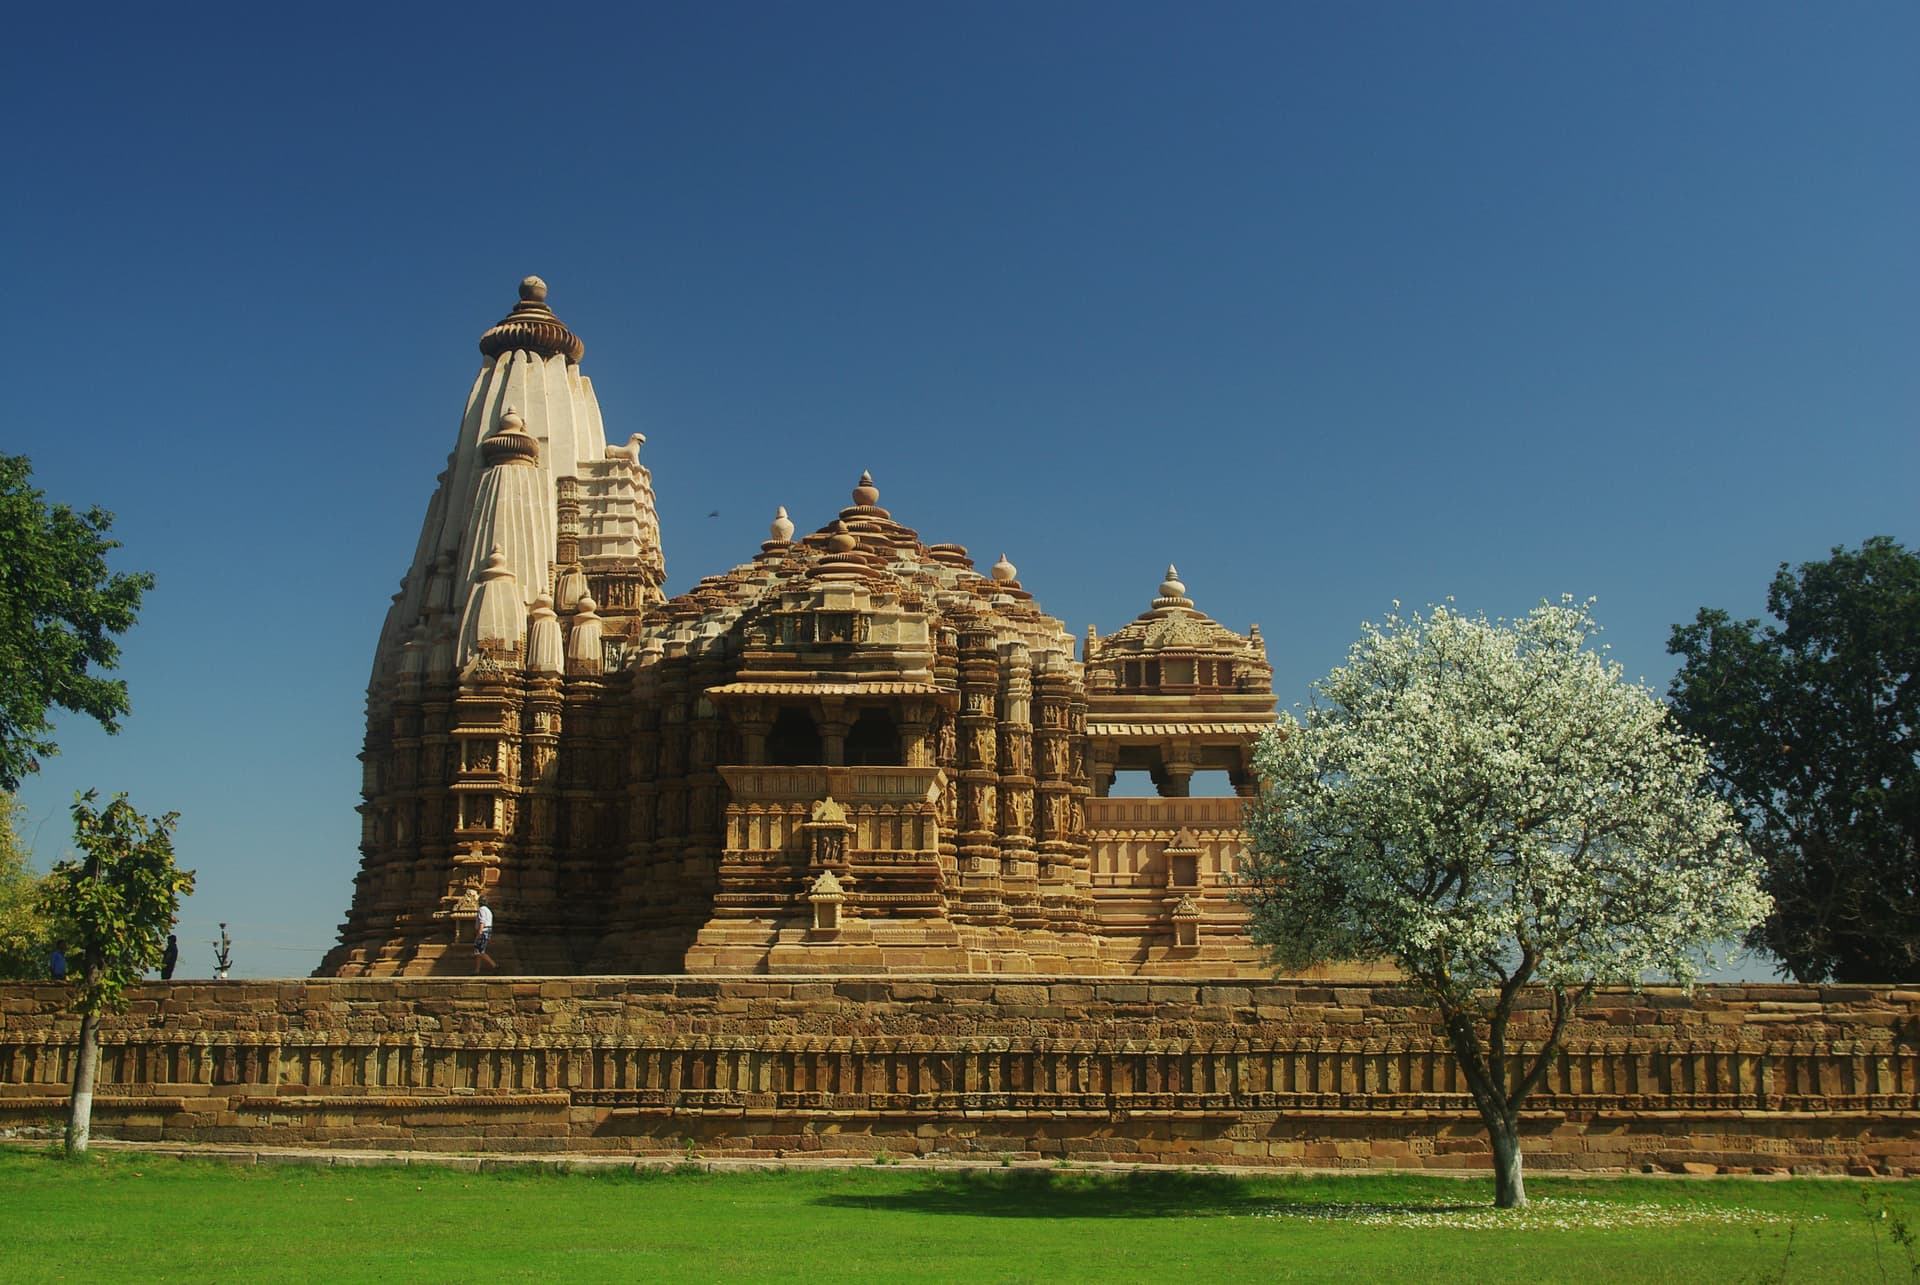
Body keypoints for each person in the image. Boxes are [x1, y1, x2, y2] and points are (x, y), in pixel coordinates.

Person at [474, 894, 497, 971]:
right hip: (488, 931)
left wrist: (479, 933)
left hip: (483, 931)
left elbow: (482, 922)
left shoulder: (482, 909)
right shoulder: (488, 911)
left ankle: (494, 965)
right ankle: (477, 970)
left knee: (479, 952)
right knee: (478, 952)